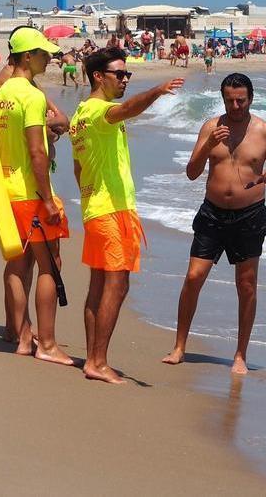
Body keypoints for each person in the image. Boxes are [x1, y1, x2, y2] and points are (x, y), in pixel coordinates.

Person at [70, 47, 183, 383]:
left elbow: (78, 169)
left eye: (127, 74)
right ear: (97, 77)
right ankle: (98, 362)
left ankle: (93, 357)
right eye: (119, 74)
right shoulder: (96, 111)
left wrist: (89, 194)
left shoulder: (78, 115)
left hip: (97, 207)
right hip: (111, 209)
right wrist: (156, 91)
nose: (125, 80)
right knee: (116, 285)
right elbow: (124, 111)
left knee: (99, 284)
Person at [163, 73, 266, 375]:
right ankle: (179, 346)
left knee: (245, 285)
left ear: (251, 98)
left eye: (240, 100)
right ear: (222, 99)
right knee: (194, 277)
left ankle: (240, 355)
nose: (235, 106)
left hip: (249, 217)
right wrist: (207, 146)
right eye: (229, 100)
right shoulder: (210, 128)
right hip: (212, 214)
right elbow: (191, 172)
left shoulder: (265, 131)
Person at [0, 26, 72, 365]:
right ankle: (48, 344)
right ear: (27, 57)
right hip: (30, 191)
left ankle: (23, 335)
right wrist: (48, 199)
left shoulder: (0, 94)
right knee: (50, 266)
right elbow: (38, 152)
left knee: (17, 261)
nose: (48, 58)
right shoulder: (30, 95)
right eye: (43, 54)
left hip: (6, 189)